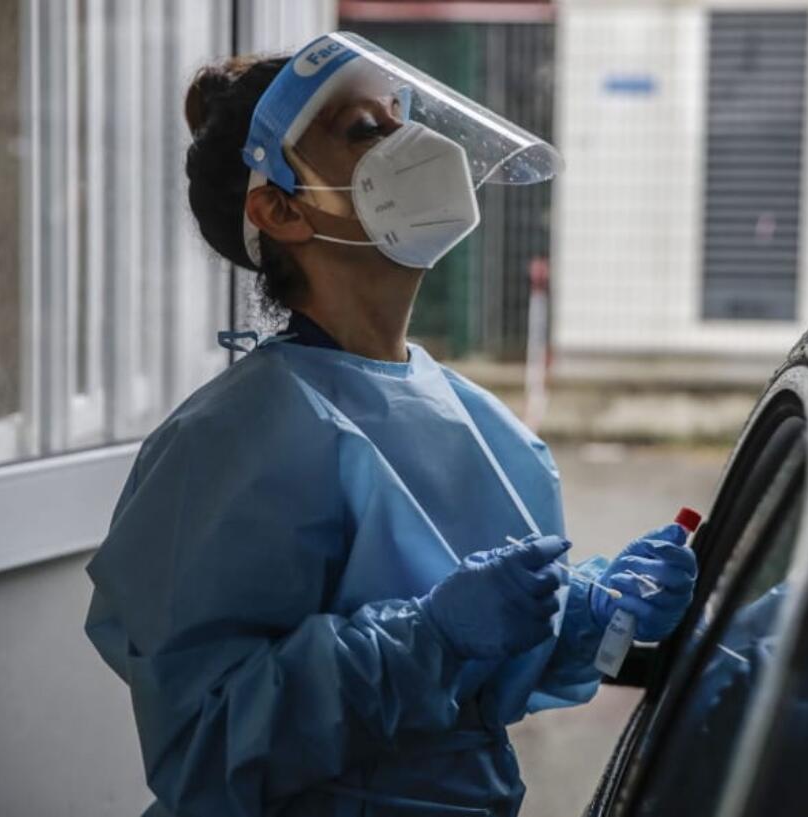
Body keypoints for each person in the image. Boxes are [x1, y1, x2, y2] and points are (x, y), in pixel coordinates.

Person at [84, 32, 698, 817]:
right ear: (279, 207)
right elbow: (208, 738)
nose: (415, 143)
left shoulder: (481, 422)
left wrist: (586, 614)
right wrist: (432, 637)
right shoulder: (231, 442)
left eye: (401, 113)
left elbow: (490, 671)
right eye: (366, 130)